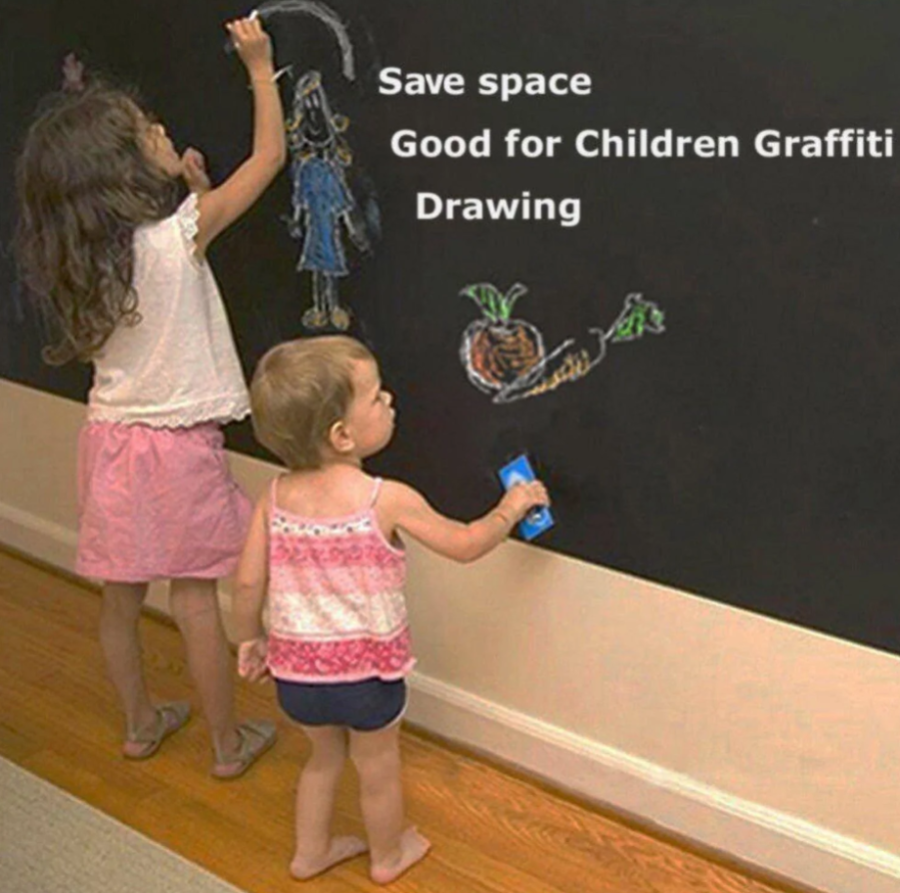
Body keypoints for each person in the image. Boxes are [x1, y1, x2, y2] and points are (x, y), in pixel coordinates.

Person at [14, 16, 286, 778]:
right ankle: (228, 745)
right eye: (148, 131)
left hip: (110, 443)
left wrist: (192, 187)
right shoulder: (180, 236)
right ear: (125, 168)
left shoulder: (82, 261)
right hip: (176, 449)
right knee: (195, 600)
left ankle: (140, 725)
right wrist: (259, 66)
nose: (162, 129)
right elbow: (269, 158)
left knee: (120, 599)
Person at [233, 335, 549, 883]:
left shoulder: (275, 496)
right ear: (342, 435)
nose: (390, 400)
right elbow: (465, 544)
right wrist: (512, 506)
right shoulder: (386, 499)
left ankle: (310, 854)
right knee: (376, 768)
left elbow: (246, 583)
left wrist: (248, 639)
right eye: (377, 396)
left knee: (322, 760)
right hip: (367, 679)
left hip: (297, 676)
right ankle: (387, 857)